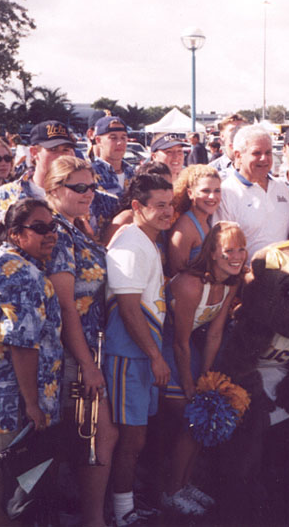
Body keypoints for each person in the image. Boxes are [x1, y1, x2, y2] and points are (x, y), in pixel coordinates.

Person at [0, 198, 63, 527]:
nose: (51, 234)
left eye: (53, 227)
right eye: (40, 228)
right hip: (6, 404)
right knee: (8, 489)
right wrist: (32, 403)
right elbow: (21, 344)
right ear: (16, 234)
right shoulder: (24, 276)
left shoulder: (1, 262)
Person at [44, 157, 118, 527]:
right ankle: (91, 520)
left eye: (91, 187)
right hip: (69, 354)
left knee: (94, 439)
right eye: (78, 188)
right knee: (98, 436)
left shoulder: (76, 226)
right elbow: (65, 305)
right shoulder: (56, 233)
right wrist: (87, 364)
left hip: (89, 347)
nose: (89, 194)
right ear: (55, 190)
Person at [160, 222, 246, 515]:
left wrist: (206, 379)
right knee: (191, 417)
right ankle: (170, 491)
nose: (237, 256)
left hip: (187, 349)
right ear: (212, 252)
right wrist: (188, 384)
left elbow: (214, 334)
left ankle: (184, 484)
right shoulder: (190, 284)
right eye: (229, 250)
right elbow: (180, 343)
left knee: (204, 411)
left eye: (241, 249)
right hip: (165, 345)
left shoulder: (231, 281)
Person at [105, 174, 174, 526]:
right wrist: (156, 356)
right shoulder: (131, 243)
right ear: (137, 207)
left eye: (170, 204)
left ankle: (126, 503)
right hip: (127, 354)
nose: (167, 212)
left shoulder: (146, 240)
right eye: (158, 205)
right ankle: (120, 512)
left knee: (138, 436)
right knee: (129, 437)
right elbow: (129, 309)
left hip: (141, 354)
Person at [213, 125, 289, 258]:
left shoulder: (282, 187)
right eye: (257, 153)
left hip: (286, 274)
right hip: (247, 276)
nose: (264, 158)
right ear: (238, 156)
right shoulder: (226, 193)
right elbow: (221, 246)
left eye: (268, 152)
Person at [168, 165, 221, 275]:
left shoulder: (208, 220)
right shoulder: (184, 229)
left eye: (217, 191)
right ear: (190, 193)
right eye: (205, 191)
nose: (212, 196)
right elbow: (177, 277)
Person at [91, 116, 135, 197]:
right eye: (113, 138)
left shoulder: (133, 173)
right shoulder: (89, 173)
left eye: (123, 137)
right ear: (98, 141)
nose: (120, 143)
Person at [209, 114, 248, 180]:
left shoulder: (257, 167)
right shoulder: (212, 171)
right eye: (233, 129)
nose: (237, 132)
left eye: (241, 129)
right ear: (222, 136)